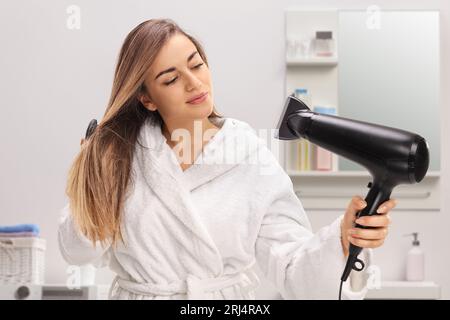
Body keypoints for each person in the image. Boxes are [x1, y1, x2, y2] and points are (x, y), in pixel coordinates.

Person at [59, 19, 396, 300]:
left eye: (196, 64)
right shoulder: (118, 158)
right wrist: (93, 187)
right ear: (147, 98)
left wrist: (342, 237)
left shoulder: (250, 156)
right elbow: (78, 253)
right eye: (172, 78)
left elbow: (293, 272)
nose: (194, 83)